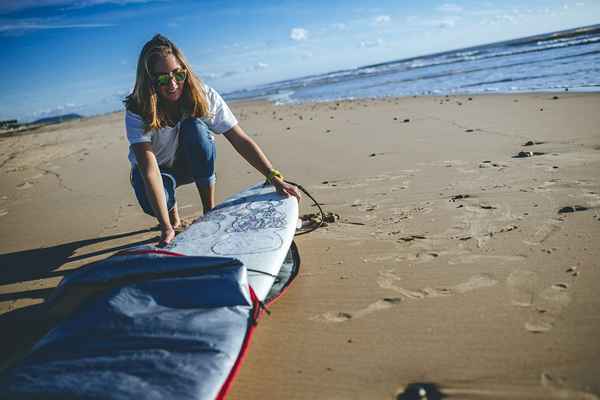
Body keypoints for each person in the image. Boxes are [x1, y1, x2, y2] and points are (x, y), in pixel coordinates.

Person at [124, 34, 300, 246]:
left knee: (195, 127)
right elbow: (149, 169)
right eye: (162, 78)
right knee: (158, 197)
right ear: (150, 80)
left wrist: (274, 176)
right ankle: (172, 215)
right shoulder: (138, 108)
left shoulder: (201, 94)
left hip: (188, 162)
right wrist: (166, 228)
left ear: (184, 71)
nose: (172, 84)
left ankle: (209, 211)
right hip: (155, 173)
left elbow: (238, 138)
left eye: (177, 75)